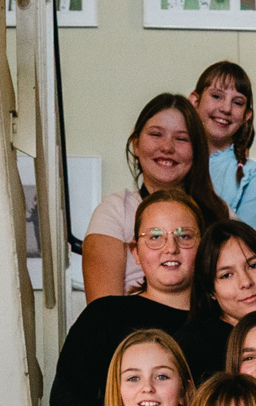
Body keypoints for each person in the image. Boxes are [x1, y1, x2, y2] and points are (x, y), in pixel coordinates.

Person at [51, 187, 203, 406]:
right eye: (154, 237)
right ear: (135, 252)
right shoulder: (104, 315)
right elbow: (67, 392)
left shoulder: (218, 322)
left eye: (184, 236)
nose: (171, 248)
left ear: (203, 246)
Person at [84, 95, 226, 301]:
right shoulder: (115, 211)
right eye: (156, 134)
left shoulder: (220, 212)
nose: (167, 147)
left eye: (181, 138)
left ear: (197, 151)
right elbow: (103, 315)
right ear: (136, 144)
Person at [184, 219, 256, 381]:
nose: (246, 282)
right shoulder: (193, 348)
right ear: (210, 290)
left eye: (254, 265)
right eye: (227, 275)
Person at [194, 60, 256, 228]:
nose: (226, 108)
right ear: (195, 101)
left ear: (247, 115)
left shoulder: (254, 175)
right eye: (216, 96)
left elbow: (245, 245)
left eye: (237, 102)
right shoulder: (178, 159)